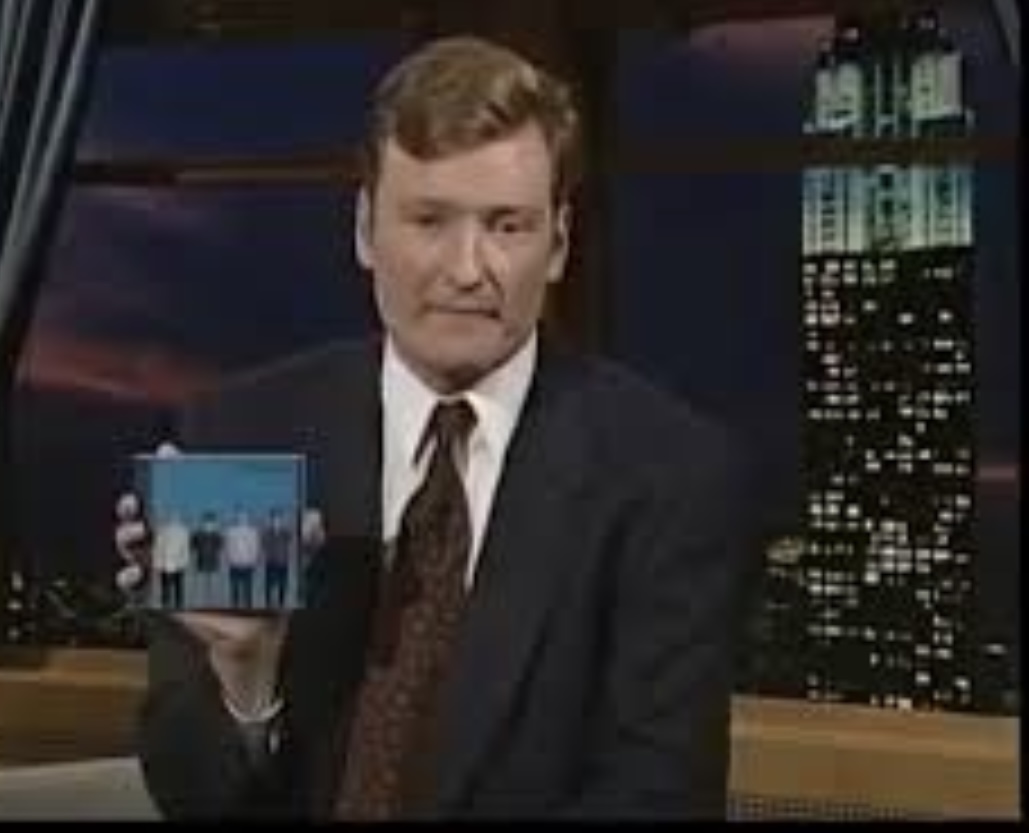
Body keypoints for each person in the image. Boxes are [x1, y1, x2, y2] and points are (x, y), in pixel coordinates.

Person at [115, 35, 758, 820]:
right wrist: (246, 675)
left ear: (557, 244)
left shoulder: (667, 473)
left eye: (507, 226)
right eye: (428, 220)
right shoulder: (242, 435)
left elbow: (660, 798)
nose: (465, 269)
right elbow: (192, 797)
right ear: (365, 229)